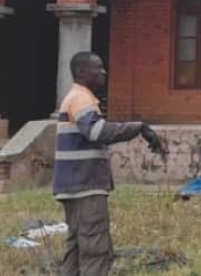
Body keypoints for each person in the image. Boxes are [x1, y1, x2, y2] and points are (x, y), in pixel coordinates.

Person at [53, 51, 166, 276]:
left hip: (73, 185)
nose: (104, 72)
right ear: (82, 72)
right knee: (95, 248)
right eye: (99, 67)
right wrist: (138, 128)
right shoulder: (81, 99)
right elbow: (97, 131)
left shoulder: (76, 97)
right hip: (85, 186)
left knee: (76, 248)